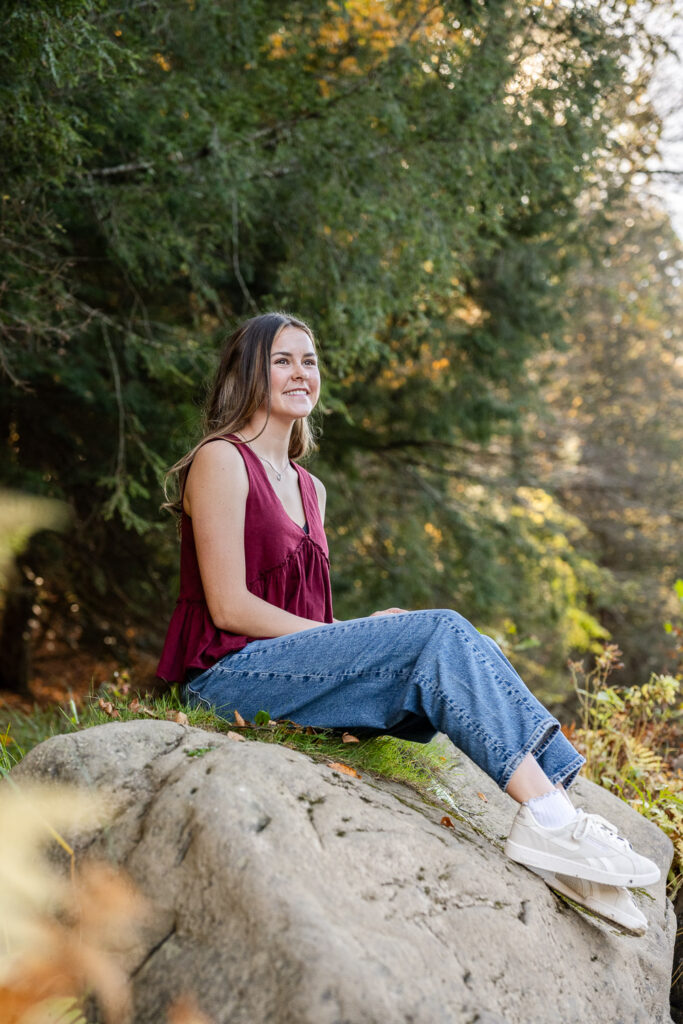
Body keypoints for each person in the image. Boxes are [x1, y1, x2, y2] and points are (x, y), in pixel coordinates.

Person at [157, 311, 658, 935]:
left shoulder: (310, 488)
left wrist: (359, 629)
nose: (300, 372)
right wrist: (359, 637)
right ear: (247, 372)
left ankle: (564, 826)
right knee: (437, 632)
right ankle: (552, 823)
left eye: (309, 361)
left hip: (283, 673)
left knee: (472, 643)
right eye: (282, 360)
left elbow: (308, 624)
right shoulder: (221, 460)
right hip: (225, 678)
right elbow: (230, 607)